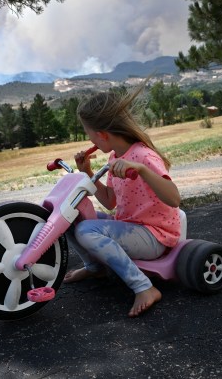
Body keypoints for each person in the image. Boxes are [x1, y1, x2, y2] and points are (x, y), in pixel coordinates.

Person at [64, 86, 181, 317]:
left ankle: (144, 288)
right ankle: (95, 267)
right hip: (130, 227)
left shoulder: (142, 156)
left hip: (154, 235)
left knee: (87, 230)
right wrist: (87, 172)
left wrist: (142, 170)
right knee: (71, 215)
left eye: (88, 133)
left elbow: (174, 198)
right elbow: (109, 201)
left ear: (102, 135)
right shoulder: (115, 157)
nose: (88, 139)